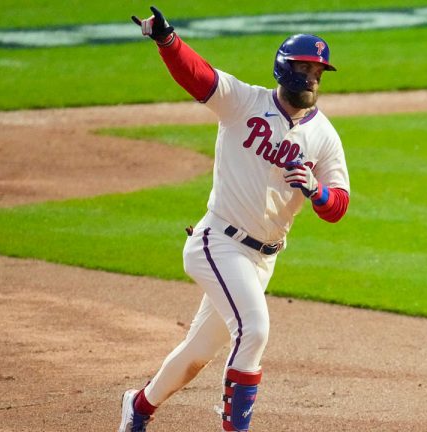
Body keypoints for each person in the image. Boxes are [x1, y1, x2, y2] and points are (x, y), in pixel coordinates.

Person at [118, 6, 351, 432]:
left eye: (319, 71)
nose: (313, 77)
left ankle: (138, 407)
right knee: (255, 329)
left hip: (263, 260)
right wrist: (168, 41)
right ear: (285, 68)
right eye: (305, 68)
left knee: (196, 353)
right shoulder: (244, 101)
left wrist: (316, 192)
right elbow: (200, 76)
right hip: (217, 242)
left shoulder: (325, 137)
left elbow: (339, 204)